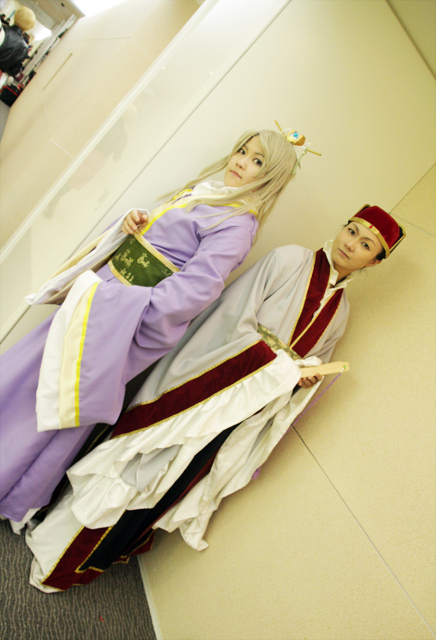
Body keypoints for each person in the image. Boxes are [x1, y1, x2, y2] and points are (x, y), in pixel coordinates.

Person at [21, 205, 405, 592]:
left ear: (374, 261)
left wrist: (302, 379)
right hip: (203, 385)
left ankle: (94, 557)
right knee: (139, 461)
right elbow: (232, 316)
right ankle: (57, 545)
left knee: (169, 479)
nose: (351, 244)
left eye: (365, 244)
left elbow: (310, 363)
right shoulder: (289, 260)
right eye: (352, 231)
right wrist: (280, 367)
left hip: (239, 409)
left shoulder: (340, 312)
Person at [0, 128, 298, 529]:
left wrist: (123, 309)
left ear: (271, 176)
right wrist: (132, 223)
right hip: (104, 297)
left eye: (257, 160)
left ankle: (11, 482)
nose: (241, 162)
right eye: (242, 151)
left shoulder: (237, 224)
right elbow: (157, 240)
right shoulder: (206, 193)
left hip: (122, 317)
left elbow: (195, 291)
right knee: (42, 374)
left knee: (64, 395)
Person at [0, 6, 35, 77]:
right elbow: (14, 72)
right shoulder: (24, 48)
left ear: (16, 16)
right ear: (29, 26)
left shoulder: (2, 29)